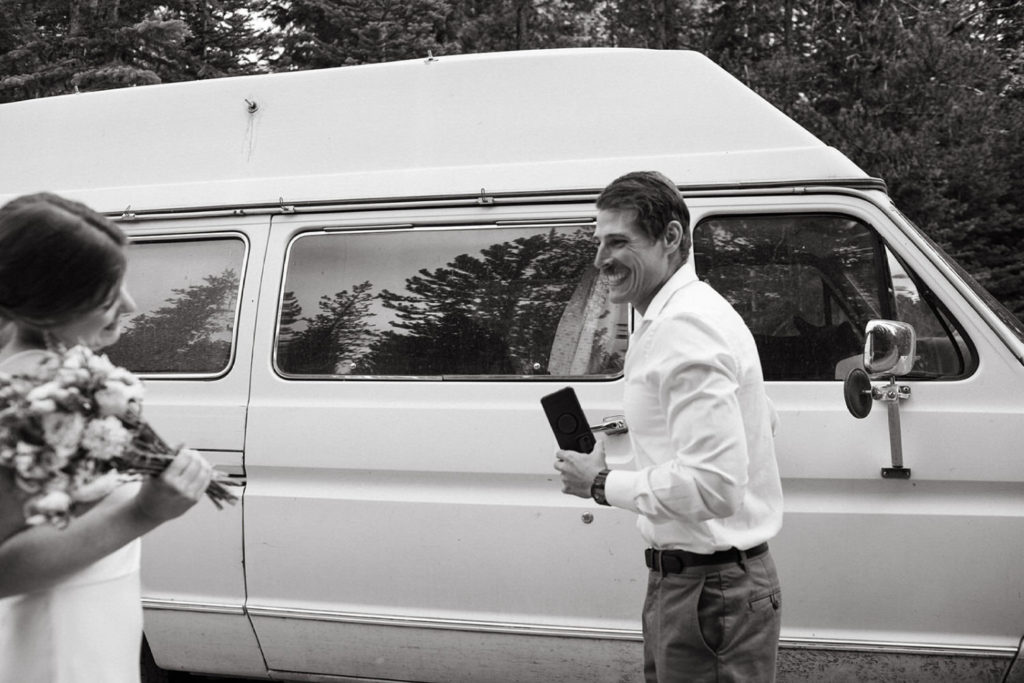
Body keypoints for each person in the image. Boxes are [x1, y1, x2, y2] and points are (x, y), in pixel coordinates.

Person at [554, 171, 784, 682]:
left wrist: (599, 482)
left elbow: (715, 486)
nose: (600, 261)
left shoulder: (685, 327)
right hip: (698, 585)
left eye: (619, 242)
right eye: (599, 242)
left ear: (672, 238)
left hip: (711, 592)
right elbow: (762, 422)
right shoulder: (683, 314)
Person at [0, 192, 214, 683]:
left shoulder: (48, 377)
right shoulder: (39, 395)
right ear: (52, 299)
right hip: (55, 635)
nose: (131, 305)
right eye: (107, 293)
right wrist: (146, 510)